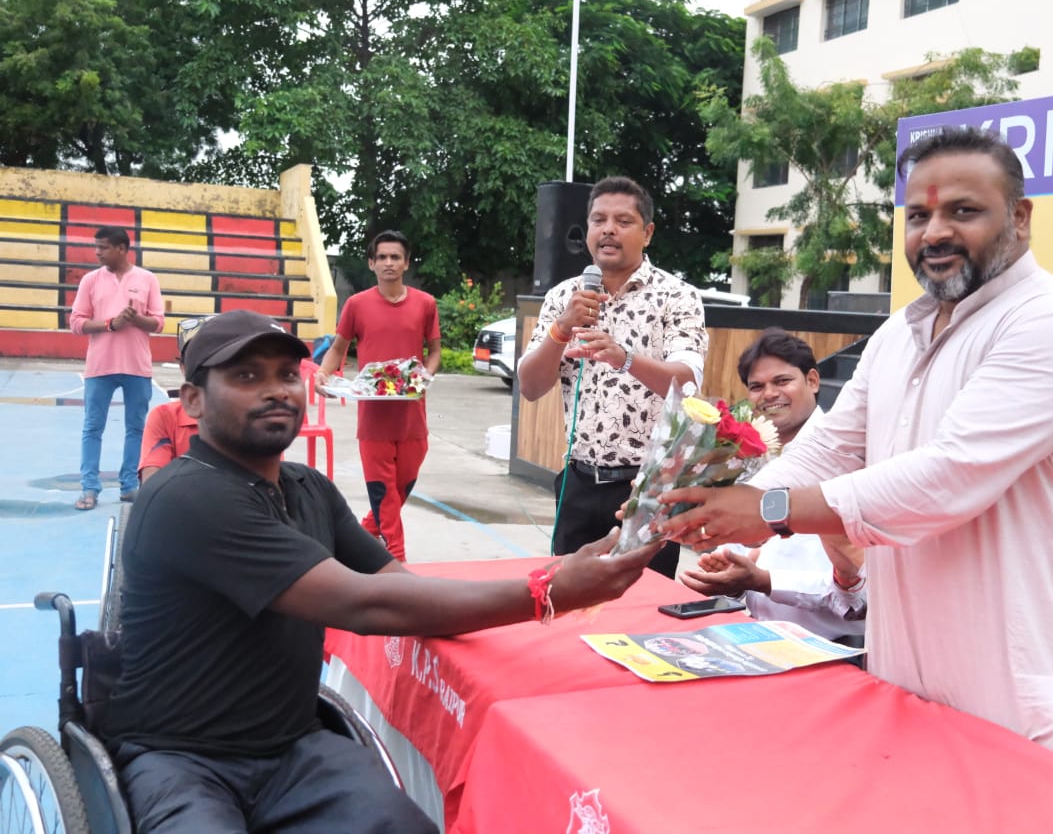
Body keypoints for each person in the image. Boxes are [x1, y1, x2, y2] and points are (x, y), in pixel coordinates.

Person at [662, 127, 1053, 774]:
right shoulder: (898, 336)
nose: (935, 232)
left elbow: (945, 478)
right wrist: (735, 527)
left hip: (1019, 692)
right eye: (918, 215)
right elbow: (828, 446)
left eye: (963, 210)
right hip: (905, 673)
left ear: (1019, 218)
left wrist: (766, 509)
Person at [104, 309, 661, 833]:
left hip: (292, 747)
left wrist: (560, 568)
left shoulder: (308, 488)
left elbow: (394, 583)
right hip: (181, 755)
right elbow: (365, 605)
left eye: (286, 374)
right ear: (194, 401)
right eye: (247, 375)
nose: (276, 389)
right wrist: (546, 593)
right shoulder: (188, 497)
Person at [518, 176, 708, 579]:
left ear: (648, 232)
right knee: (564, 600)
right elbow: (531, 387)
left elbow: (688, 383)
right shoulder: (563, 297)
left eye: (623, 221)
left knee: (640, 608)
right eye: (598, 220)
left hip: (648, 488)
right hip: (578, 480)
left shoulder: (677, 296)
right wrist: (561, 329)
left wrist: (624, 358)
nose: (608, 230)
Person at [679, 329, 866, 643]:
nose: (768, 394)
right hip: (757, 637)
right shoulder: (747, 456)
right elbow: (746, 558)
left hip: (834, 649)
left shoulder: (847, 456)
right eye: (756, 386)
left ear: (813, 381)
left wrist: (764, 580)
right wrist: (732, 577)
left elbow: (859, 585)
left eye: (782, 381)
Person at [314, 230, 442, 561]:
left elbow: (435, 352)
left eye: (395, 257)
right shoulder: (357, 305)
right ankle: (396, 562)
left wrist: (425, 376)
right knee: (384, 497)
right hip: (372, 419)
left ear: (406, 263)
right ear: (371, 263)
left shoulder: (425, 304)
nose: (388, 263)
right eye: (381, 257)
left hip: (413, 417)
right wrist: (323, 374)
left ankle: (351, 542)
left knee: (398, 493)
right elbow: (338, 347)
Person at [69, 226, 165, 509]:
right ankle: (89, 489)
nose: (97, 252)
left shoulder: (147, 279)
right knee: (92, 428)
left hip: (137, 367)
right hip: (100, 367)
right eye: (96, 247)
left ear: (122, 249)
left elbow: (158, 323)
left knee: (136, 429)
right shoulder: (90, 280)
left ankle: (129, 486)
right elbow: (76, 323)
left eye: (103, 247)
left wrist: (137, 318)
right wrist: (111, 324)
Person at [138, 317, 205, 483]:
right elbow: (151, 484)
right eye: (198, 358)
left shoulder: (250, 420)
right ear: (183, 367)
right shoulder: (165, 417)